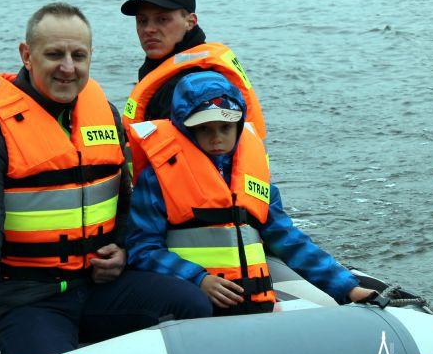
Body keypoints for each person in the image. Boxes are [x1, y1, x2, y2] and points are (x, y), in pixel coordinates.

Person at [0, 3, 210, 354]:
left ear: (90, 56)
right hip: (28, 298)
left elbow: (125, 204)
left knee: (193, 305)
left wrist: (122, 249)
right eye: (55, 54)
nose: (68, 67)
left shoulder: (104, 112)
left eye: (78, 56)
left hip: (97, 287)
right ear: (27, 55)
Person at [127, 72, 377, 315]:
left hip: (257, 306)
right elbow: (143, 248)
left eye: (225, 127)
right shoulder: (157, 178)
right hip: (198, 308)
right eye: (204, 129)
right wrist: (198, 279)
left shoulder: (254, 177)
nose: (216, 138)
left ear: (238, 125)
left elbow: (289, 239)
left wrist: (348, 288)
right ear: (185, 128)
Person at [119, 0, 266, 148]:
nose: (149, 29)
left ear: (190, 22)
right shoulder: (166, 71)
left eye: (162, 19)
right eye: (142, 21)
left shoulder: (197, 86)